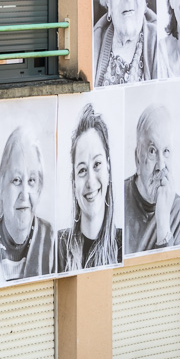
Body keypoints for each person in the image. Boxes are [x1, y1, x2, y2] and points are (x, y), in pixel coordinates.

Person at [0, 128, 56, 283]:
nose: (24, 194)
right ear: (2, 185)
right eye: (16, 180)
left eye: (31, 180)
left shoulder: (52, 240)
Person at [57, 104, 122, 271]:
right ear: (73, 182)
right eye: (82, 170)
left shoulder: (125, 246)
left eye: (97, 164)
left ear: (108, 167)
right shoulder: (57, 249)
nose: (91, 182)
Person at [124, 104, 180, 253]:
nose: (161, 166)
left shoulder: (179, 210)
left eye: (166, 151)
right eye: (152, 151)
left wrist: (163, 220)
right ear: (137, 159)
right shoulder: (120, 197)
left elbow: (174, 267)